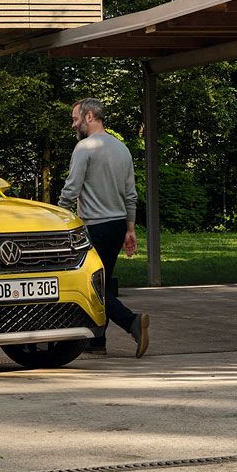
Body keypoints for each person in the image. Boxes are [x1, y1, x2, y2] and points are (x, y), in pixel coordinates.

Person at [58, 98, 149, 357]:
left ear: (89, 116)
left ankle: (131, 321)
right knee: (103, 281)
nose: (74, 124)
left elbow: (72, 188)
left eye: (76, 119)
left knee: (91, 286)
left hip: (94, 227)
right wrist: (130, 228)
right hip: (118, 224)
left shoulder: (84, 148)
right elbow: (130, 194)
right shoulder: (122, 149)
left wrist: (58, 216)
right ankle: (97, 341)